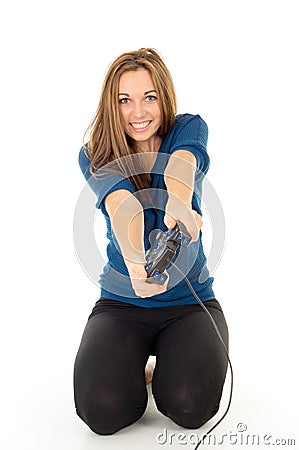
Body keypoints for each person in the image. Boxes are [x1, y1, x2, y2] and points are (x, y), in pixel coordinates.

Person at [73, 48, 229, 435]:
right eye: (125, 100)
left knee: (190, 406)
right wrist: (134, 262)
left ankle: (167, 369)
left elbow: (182, 164)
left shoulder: (188, 128)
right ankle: (137, 368)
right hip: (121, 304)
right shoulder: (96, 153)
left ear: (164, 97)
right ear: (112, 104)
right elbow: (124, 206)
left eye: (149, 97)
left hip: (190, 305)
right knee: (102, 410)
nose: (138, 112)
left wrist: (178, 200)